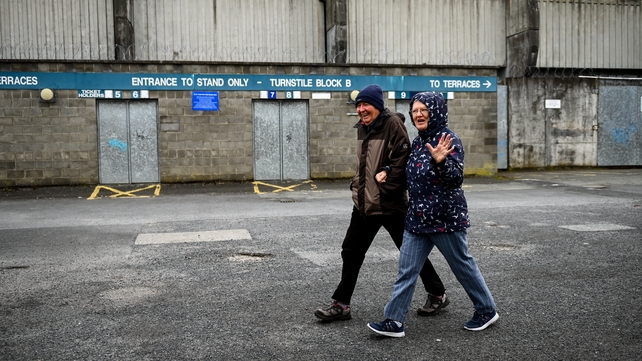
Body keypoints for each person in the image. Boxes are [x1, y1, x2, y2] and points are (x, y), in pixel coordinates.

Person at [367, 92, 498, 337]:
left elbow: (455, 178)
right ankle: (394, 321)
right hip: (417, 219)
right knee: (406, 270)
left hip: (444, 219)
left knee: (462, 266)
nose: (418, 114)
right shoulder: (419, 142)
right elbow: (410, 171)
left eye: (423, 109)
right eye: (414, 110)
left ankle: (486, 310)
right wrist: (387, 170)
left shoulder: (449, 139)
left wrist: (441, 161)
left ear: (435, 111)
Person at [315, 85, 449, 322]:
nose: (361, 109)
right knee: (351, 251)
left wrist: (384, 187)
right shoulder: (363, 128)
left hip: (390, 205)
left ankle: (437, 293)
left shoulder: (392, 124)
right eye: (358, 105)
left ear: (377, 105)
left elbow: (402, 160)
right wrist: (358, 185)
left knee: (410, 254)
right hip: (365, 205)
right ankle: (341, 304)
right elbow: (365, 165)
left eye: (365, 104)